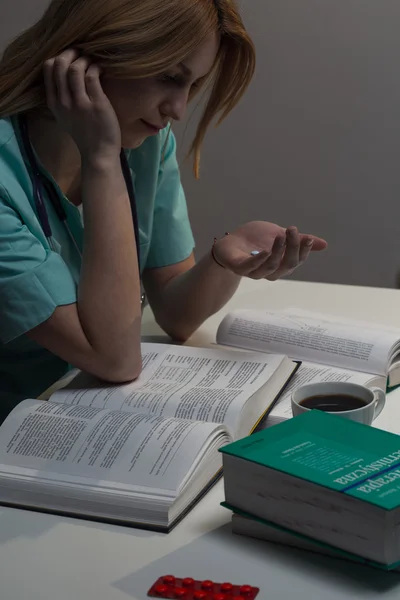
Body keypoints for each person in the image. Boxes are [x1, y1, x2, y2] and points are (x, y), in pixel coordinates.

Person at [0, 0, 327, 417]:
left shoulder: (144, 141)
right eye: (169, 77)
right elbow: (115, 359)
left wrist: (222, 260)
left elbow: (175, 314)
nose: (178, 109)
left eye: (192, 86)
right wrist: (101, 160)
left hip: (83, 410)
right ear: (87, 55)